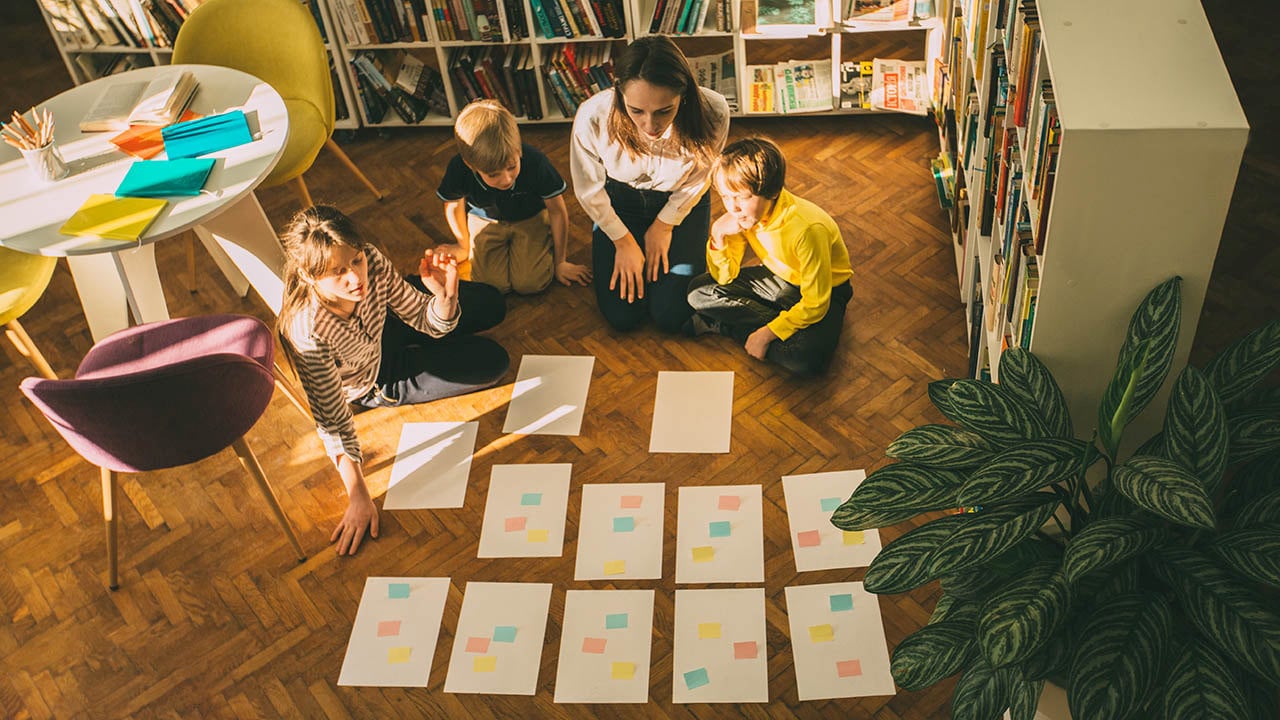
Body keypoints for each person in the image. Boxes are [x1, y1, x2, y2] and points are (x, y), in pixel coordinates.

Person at [277, 205, 509, 555]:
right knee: (492, 362)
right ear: (311, 278)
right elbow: (333, 421)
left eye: (355, 261)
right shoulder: (308, 331)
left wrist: (445, 298)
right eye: (338, 272)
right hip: (375, 377)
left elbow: (421, 315)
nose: (356, 278)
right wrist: (357, 494)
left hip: (387, 323)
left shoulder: (369, 259)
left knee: (493, 303)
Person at [570, 35, 730, 334]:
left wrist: (665, 224)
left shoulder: (714, 111)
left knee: (670, 315)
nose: (649, 126)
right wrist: (623, 241)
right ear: (619, 93)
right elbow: (588, 188)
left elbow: (699, 178)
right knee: (622, 316)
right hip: (619, 203)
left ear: (684, 95)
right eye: (636, 111)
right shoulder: (592, 117)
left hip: (682, 201)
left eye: (664, 111)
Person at [687, 137, 853, 375]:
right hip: (780, 279)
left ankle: (731, 328)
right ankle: (783, 327)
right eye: (725, 196)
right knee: (698, 291)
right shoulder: (745, 216)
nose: (732, 208)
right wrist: (718, 235)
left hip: (826, 291)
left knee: (805, 361)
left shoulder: (808, 228)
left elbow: (816, 303)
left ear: (773, 191)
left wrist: (766, 334)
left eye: (742, 197)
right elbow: (725, 277)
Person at [437, 99, 590, 294]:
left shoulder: (536, 162)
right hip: (484, 219)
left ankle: (543, 244)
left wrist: (561, 262)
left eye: (512, 167)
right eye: (493, 175)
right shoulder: (458, 168)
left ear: (518, 151)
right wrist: (462, 245)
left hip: (530, 218)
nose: (506, 179)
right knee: (492, 287)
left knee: (530, 284)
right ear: (470, 165)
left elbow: (557, 211)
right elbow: (452, 204)